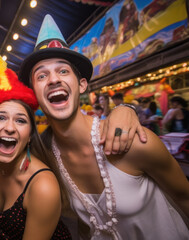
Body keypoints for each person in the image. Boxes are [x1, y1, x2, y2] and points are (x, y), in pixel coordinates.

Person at [18, 14, 189, 239]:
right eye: (41, 75)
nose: (53, 80)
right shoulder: (46, 156)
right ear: (35, 94)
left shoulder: (134, 142)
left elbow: (184, 197)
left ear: (81, 85)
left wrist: (126, 107)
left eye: (63, 71)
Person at [0, 39, 71, 239]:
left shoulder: (42, 187)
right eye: (0, 118)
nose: (9, 128)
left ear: (29, 137)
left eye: (20, 121)